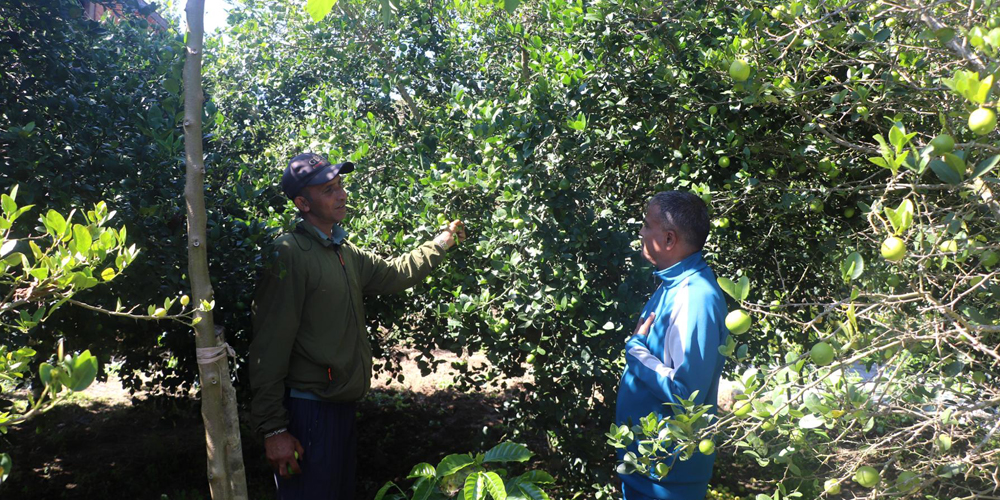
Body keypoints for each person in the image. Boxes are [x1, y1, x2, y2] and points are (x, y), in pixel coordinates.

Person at [248, 152, 466, 500]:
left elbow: (394, 272)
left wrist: (442, 242)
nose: (342, 195)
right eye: (329, 189)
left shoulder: (343, 251)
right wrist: (274, 429)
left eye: (341, 186)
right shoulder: (289, 253)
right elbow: (269, 346)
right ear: (303, 203)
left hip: (339, 407)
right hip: (308, 412)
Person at [616, 190, 729, 500]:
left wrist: (636, 353)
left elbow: (686, 396)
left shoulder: (694, 297)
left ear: (668, 239)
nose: (640, 231)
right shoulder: (674, 284)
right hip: (648, 472)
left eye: (646, 224)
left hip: (668, 478)